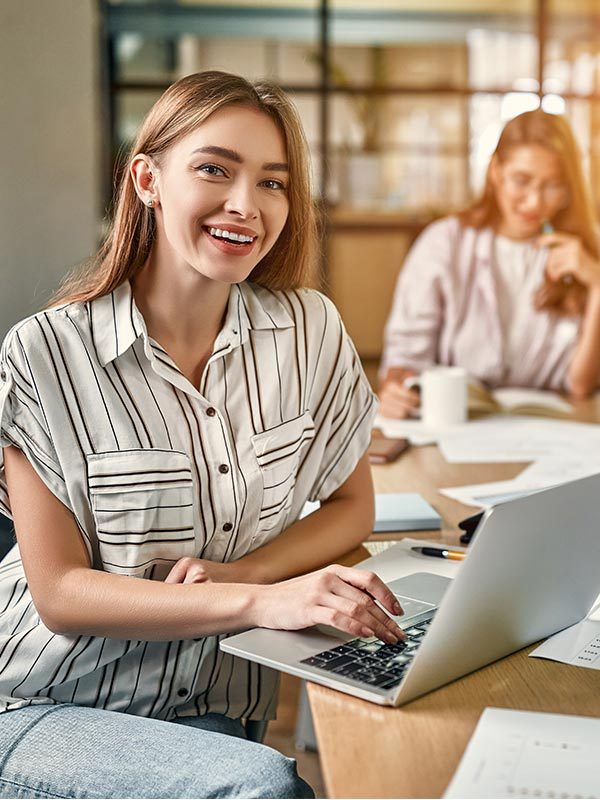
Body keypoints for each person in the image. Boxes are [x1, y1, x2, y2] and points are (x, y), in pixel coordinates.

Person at [0, 71, 404, 799]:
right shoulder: (43, 353)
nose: (246, 206)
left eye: (273, 183)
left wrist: (248, 573)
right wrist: (265, 602)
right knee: (265, 788)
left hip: (215, 711)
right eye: (215, 169)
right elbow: (58, 592)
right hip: (48, 702)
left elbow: (352, 506)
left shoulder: (309, 331)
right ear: (148, 180)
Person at [379, 109, 600, 419]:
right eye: (521, 181)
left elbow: (579, 384)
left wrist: (598, 287)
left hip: (548, 429)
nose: (534, 202)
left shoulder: (586, 252)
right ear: (496, 172)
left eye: (553, 186)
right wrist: (396, 389)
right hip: (455, 425)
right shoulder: (444, 243)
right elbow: (404, 361)